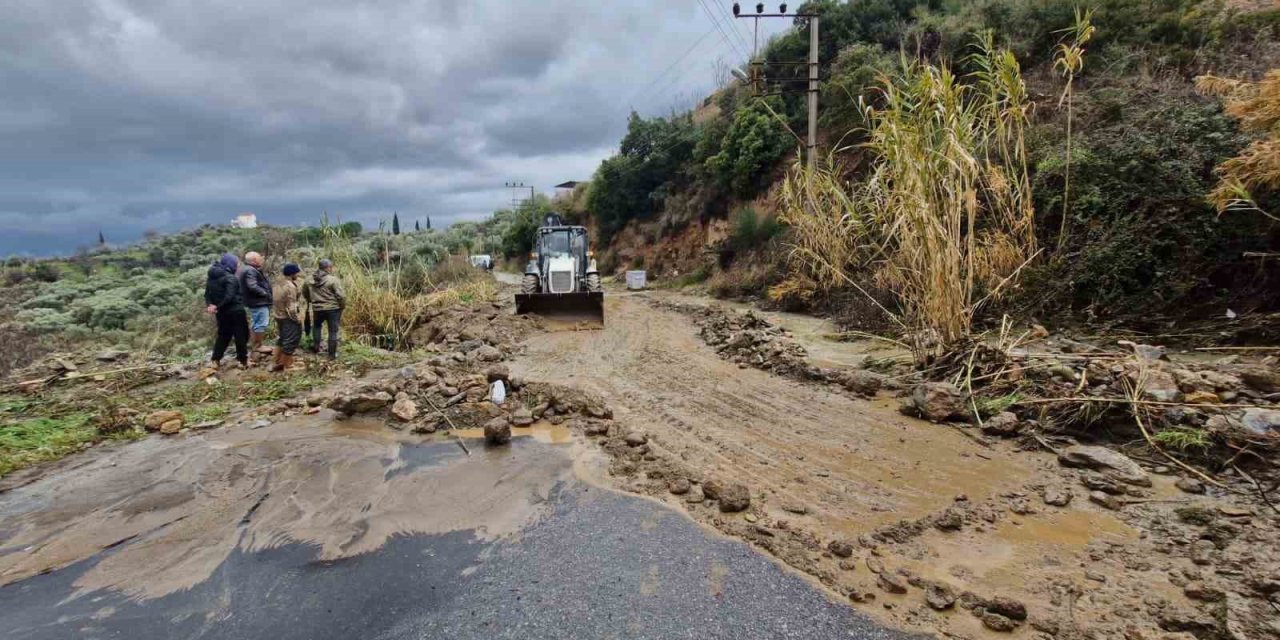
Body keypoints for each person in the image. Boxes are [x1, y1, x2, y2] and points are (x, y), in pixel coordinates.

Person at [203, 253, 248, 368]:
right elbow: (230, 296)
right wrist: (217, 306)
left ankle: (215, 359)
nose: (237, 267)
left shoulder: (212, 278)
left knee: (223, 335)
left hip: (221, 313)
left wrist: (211, 306)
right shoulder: (230, 278)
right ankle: (242, 361)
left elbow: (207, 294)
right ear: (230, 264)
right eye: (236, 264)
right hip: (235, 311)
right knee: (241, 334)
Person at [302, 259, 345, 360]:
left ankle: (316, 347)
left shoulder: (309, 279)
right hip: (333, 309)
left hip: (317, 308)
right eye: (331, 267)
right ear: (328, 268)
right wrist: (342, 306)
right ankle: (331, 355)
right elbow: (341, 296)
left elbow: (305, 293)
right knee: (333, 331)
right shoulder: (333, 280)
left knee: (316, 326)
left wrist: (311, 301)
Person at [238, 251, 273, 359]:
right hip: (258, 302)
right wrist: (265, 293)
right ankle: (258, 345)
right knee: (261, 323)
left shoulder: (247, 269)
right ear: (254, 260)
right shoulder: (250, 271)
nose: (261, 259)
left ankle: (254, 345)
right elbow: (252, 286)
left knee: (256, 323)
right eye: (259, 258)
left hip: (254, 302)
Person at [271, 263, 303, 372]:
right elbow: (291, 306)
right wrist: (297, 319)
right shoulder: (290, 287)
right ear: (292, 273)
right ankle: (286, 365)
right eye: (297, 273)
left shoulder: (278, 284)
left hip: (278, 315)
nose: (298, 275)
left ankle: (277, 360)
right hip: (287, 316)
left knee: (282, 338)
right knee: (291, 340)